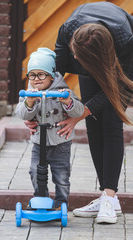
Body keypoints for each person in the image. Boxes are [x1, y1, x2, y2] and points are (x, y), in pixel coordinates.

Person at [24, 2, 133, 224]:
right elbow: (53, 77)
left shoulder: (126, 41)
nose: (74, 59)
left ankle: (110, 199)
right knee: (93, 123)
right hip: (91, 47)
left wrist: (80, 113)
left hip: (119, 62)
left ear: (94, 58)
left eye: (79, 57)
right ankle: (105, 195)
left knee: (111, 123)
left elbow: (117, 89)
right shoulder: (68, 31)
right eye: (74, 54)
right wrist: (35, 109)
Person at [15, 47, 84, 209]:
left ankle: (61, 203)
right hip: (39, 142)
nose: (36, 79)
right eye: (32, 75)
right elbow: (21, 114)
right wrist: (29, 102)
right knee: (34, 171)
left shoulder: (64, 92)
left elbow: (79, 111)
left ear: (51, 75)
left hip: (61, 143)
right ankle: (40, 199)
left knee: (61, 176)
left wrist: (67, 102)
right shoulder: (28, 93)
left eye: (41, 74)